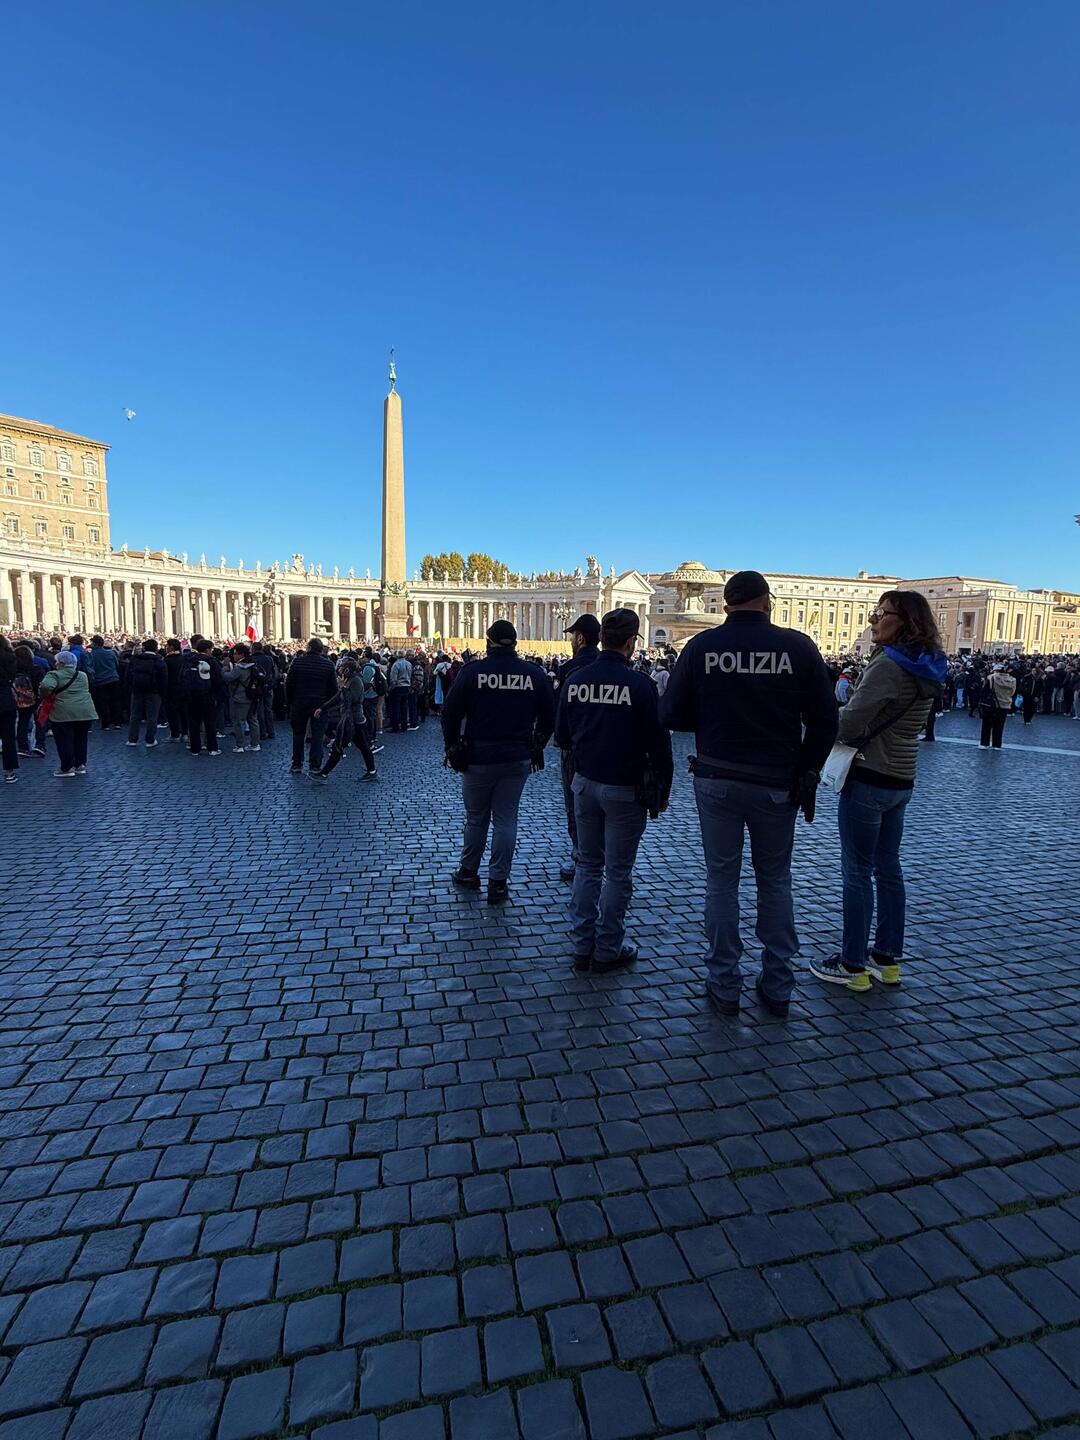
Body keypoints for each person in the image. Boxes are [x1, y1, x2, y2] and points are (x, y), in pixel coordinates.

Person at [661, 571, 837, 1016]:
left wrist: (715, 716)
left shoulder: (701, 647)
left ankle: (723, 983)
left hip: (718, 776)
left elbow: (672, 714)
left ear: (724, 605)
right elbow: (825, 719)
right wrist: (809, 768)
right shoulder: (797, 646)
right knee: (775, 881)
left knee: (721, 880)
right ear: (767, 603)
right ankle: (777, 984)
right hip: (777, 781)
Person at [810, 591, 945, 992]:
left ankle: (852, 964)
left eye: (879, 614)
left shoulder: (888, 666)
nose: (872, 621)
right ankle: (887, 959)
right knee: (889, 868)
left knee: (857, 871)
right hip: (902, 779)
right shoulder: (929, 666)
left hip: (869, 777)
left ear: (902, 620)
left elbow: (850, 725)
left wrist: (823, 718)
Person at [557, 608, 673, 973]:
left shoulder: (576, 679)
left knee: (588, 866)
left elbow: (561, 737)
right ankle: (608, 948)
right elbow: (659, 745)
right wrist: (664, 789)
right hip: (625, 789)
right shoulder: (640, 685)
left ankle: (580, 945)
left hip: (584, 783)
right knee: (618, 872)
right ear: (630, 643)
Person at [443, 619, 555, 904]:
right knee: (506, 819)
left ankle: (468, 871)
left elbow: (450, 713)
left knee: (476, 817)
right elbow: (549, 717)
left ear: (488, 641)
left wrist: (452, 746)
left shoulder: (472, 672)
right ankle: (499, 883)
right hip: (517, 756)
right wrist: (537, 744)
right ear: (515, 643)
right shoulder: (534, 674)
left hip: (478, 756)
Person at [553, 614, 602, 883]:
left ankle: (580, 856)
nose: (571, 640)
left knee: (576, 806)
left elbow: (560, 714)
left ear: (581, 638)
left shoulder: (570, 670)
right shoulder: (619, 669)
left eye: (573, 636)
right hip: (611, 748)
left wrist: (560, 740)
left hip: (576, 749)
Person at [314, 658, 378, 784]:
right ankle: (372, 772)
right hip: (350, 720)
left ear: (348, 669)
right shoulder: (348, 681)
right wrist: (323, 707)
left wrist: (343, 687)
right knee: (363, 747)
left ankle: (324, 774)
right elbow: (338, 697)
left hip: (354, 721)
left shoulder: (356, 681)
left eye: (342, 667)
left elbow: (351, 699)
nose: (340, 669)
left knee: (339, 747)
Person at [39, 651, 97, 776]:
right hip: (84, 711)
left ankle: (67, 767)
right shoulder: (82, 675)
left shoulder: (54, 675)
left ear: (61, 663)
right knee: (81, 738)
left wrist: (44, 695)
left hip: (63, 711)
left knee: (64, 740)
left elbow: (45, 687)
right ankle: (80, 765)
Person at [285, 637, 337, 775]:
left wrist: (290, 701)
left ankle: (297, 763)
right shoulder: (328, 665)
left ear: (308, 648)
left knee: (298, 734)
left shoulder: (297, 662)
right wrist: (327, 704)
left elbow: (289, 684)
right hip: (320, 703)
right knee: (318, 735)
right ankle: (315, 764)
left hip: (300, 702)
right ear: (321, 650)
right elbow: (333, 689)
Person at [181, 640, 223, 756]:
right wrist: (217, 695)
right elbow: (218, 680)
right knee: (209, 722)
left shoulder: (189, 660)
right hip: (207, 695)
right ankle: (212, 748)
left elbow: (181, 678)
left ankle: (195, 749)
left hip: (191, 695)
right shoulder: (211, 661)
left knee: (194, 722)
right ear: (208, 650)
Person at [126, 640, 168, 747]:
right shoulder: (159, 661)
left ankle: (132, 740)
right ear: (156, 648)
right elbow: (163, 679)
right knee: (152, 717)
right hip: (154, 692)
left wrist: (131, 687)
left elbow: (128, 676)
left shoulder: (135, 659)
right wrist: (162, 693)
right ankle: (150, 740)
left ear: (144, 648)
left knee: (135, 716)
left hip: (137, 690)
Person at [224, 643, 262, 753]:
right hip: (253, 696)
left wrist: (225, 669)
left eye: (235, 654)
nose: (234, 656)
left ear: (241, 655)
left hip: (241, 697)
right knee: (253, 720)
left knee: (238, 721)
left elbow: (228, 678)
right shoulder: (254, 664)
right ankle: (255, 744)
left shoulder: (240, 667)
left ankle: (240, 745)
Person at [13, 644, 44, 758]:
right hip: (36, 698)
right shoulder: (36, 668)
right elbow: (41, 684)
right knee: (39, 721)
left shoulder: (14, 670)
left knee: (23, 722)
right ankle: (39, 745)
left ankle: (23, 748)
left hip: (21, 699)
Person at [86, 635, 122, 729]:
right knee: (116, 701)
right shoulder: (110, 653)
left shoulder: (90, 654)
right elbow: (116, 664)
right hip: (113, 679)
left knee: (103, 703)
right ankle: (117, 722)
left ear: (94, 644)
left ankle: (106, 724)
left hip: (99, 681)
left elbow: (89, 668)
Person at [979, 662, 1017, 749]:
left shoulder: (992, 678)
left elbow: (985, 691)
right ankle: (997, 745)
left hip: (992, 704)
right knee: (999, 726)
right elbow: (1012, 692)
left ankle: (984, 744)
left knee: (986, 724)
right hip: (1005, 704)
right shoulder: (1012, 680)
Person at [0, 636, 19, 783]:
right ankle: (9, 771)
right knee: (8, 738)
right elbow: (13, 676)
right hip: (5, 698)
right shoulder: (10, 657)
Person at [388, 650, 413, 733]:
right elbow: (410, 675)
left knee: (396, 708)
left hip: (398, 687)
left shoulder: (396, 664)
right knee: (404, 707)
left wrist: (391, 688)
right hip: (407, 686)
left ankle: (395, 727)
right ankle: (404, 726)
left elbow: (393, 678)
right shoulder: (409, 664)